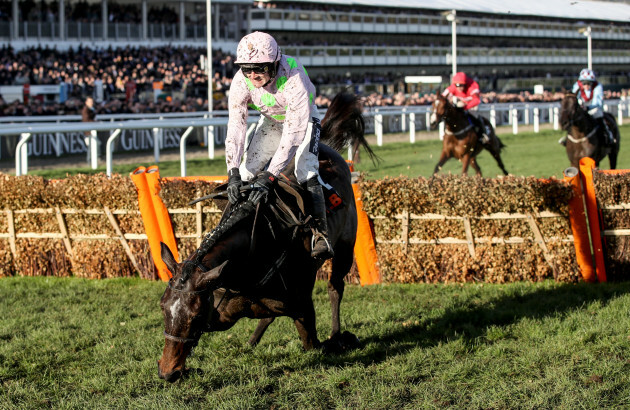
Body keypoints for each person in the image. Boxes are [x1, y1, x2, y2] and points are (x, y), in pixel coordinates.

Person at [224, 31, 333, 259]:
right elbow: (236, 126)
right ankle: (229, 232)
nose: (253, 75)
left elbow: (294, 133)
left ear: (275, 63)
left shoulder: (293, 76)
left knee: (305, 171)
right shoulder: (240, 81)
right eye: (246, 68)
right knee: (245, 172)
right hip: (272, 121)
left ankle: (321, 235)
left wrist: (271, 175)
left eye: (260, 68)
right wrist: (232, 170)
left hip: (303, 120)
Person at [559, 68, 614, 146]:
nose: (587, 85)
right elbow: (575, 98)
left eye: (589, 83)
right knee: (573, 118)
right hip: (582, 109)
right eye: (584, 83)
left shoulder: (598, 86)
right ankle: (567, 139)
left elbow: (597, 101)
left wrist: (588, 108)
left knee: (599, 115)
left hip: (594, 108)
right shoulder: (577, 86)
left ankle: (607, 135)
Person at [442, 72, 492, 144]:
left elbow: (476, 100)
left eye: (461, 85)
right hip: (462, 102)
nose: (459, 88)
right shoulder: (453, 86)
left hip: (473, 103)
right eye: (457, 85)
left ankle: (483, 134)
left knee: (474, 115)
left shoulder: (473, 86)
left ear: (465, 84)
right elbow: (442, 97)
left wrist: (466, 107)